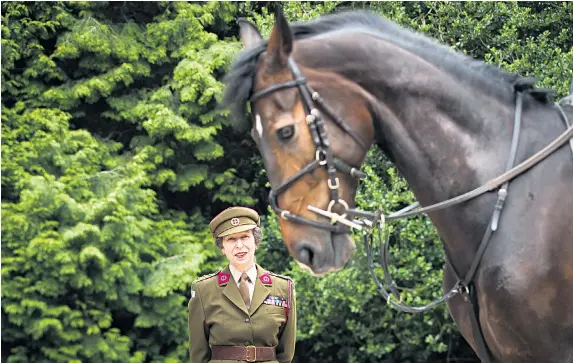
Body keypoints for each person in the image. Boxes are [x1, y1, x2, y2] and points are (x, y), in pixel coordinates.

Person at [188, 206, 296, 363]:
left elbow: (286, 353)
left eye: (245, 237)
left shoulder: (283, 287)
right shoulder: (203, 290)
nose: (239, 245)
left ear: (256, 242)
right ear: (222, 248)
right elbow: (198, 354)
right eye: (231, 239)